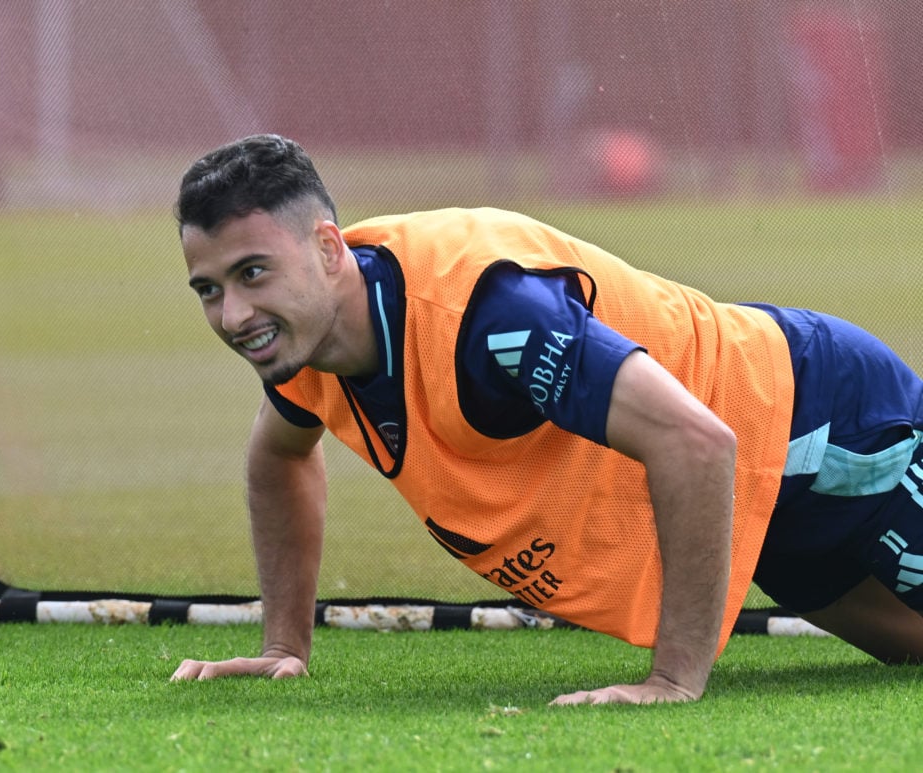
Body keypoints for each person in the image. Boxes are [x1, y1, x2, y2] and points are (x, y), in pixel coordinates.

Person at [169, 134, 923, 705]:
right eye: (209, 288)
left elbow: (696, 440)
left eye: (253, 273)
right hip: (754, 509)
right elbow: (280, 457)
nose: (233, 315)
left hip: (820, 420)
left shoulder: (492, 318)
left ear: (328, 249)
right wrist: (282, 643)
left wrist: (673, 679)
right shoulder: (308, 343)